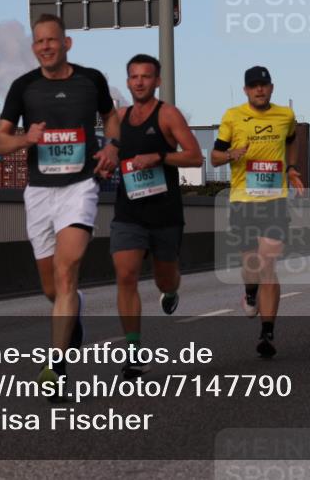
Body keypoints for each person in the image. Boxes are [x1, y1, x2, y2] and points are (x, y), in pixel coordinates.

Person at [0, 13, 119, 396]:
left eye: (52, 40)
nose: (45, 47)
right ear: (34, 48)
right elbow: (0, 142)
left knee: (67, 273)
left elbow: (111, 116)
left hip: (80, 187)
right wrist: (25, 139)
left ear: (67, 44)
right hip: (39, 192)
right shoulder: (23, 88)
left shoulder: (91, 80)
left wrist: (113, 145)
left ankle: (56, 368)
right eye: (38, 42)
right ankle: (73, 309)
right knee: (52, 287)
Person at [110, 54, 202, 379]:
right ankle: (133, 352)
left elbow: (195, 157)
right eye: (134, 76)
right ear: (127, 82)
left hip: (164, 214)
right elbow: (107, 151)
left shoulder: (168, 114)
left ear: (157, 81)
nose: (139, 82)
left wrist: (160, 156)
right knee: (126, 275)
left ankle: (171, 289)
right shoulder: (118, 117)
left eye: (146, 76)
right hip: (128, 212)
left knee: (165, 277)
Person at [211, 66, 304, 358]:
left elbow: (292, 139)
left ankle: (267, 332)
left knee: (268, 264)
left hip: (275, 200)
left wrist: (290, 167)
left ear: (271, 88)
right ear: (246, 90)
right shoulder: (232, 116)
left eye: (263, 85)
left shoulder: (285, 116)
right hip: (242, 200)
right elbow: (213, 157)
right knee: (251, 266)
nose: (259, 90)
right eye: (254, 86)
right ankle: (250, 291)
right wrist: (230, 155)